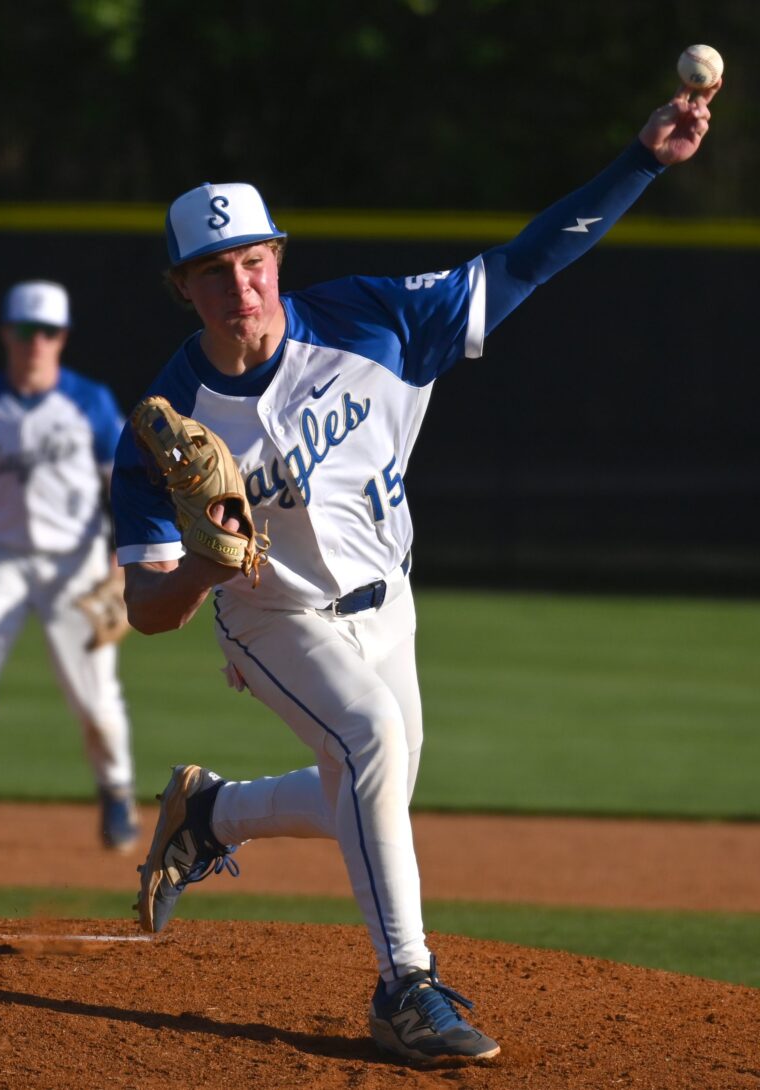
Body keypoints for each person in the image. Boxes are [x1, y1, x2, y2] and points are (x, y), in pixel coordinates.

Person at [112, 81, 719, 1062]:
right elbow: (145, 606)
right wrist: (202, 572)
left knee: (375, 784)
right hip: (274, 620)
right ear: (181, 286)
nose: (241, 286)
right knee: (370, 737)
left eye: (255, 261)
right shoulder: (162, 426)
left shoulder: (374, 322)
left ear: (279, 258)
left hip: (389, 602)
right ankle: (407, 987)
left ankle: (211, 812)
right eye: (214, 271)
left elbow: (526, 261)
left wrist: (643, 160)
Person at [0, 280, 139, 852]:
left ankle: (117, 790)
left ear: (63, 337)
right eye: (27, 331)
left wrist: (121, 564)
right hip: (1, 559)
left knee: (95, 699)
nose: (37, 343)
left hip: (74, 565)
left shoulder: (88, 402)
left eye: (48, 332)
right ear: (7, 333)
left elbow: (127, 483)